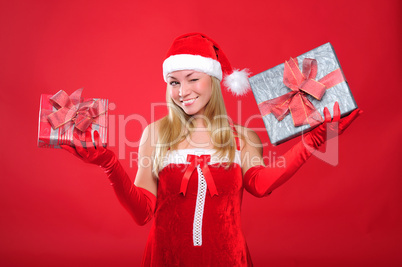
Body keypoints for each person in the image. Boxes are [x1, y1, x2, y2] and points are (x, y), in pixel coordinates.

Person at [62, 33, 361, 266]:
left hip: (228, 260)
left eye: (193, 79)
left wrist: (312, 142)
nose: (183, 91)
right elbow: (143, 213)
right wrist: (109, 163)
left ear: (214, 81)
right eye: (174, 82)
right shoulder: (155, 134)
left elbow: (260, 184)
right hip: (166, 260)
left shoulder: (242, 137)